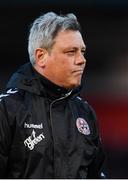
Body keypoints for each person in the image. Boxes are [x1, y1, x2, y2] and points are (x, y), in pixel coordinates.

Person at [0, 12, 106, 178]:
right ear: (41, 57)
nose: (82, 60)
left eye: (82, 51)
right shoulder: (7, 110)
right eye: (71, 52)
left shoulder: (85, 112)